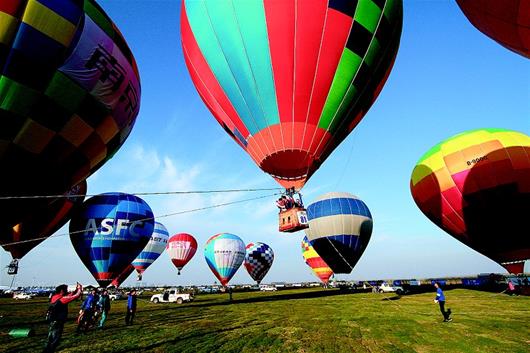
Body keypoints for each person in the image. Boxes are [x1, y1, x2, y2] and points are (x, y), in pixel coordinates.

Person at [43, 283, 82, 353]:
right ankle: (50, 351)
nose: (67, 291)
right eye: (65, 290)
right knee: (56, 339)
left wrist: (76, 290)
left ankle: (46, 350)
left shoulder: (55, 297)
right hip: (58, 321)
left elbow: (69, 295)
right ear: (62, 291)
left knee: (50, 338)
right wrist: (79, 289)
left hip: (52, 320)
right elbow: (75, 296)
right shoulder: (62, 299)